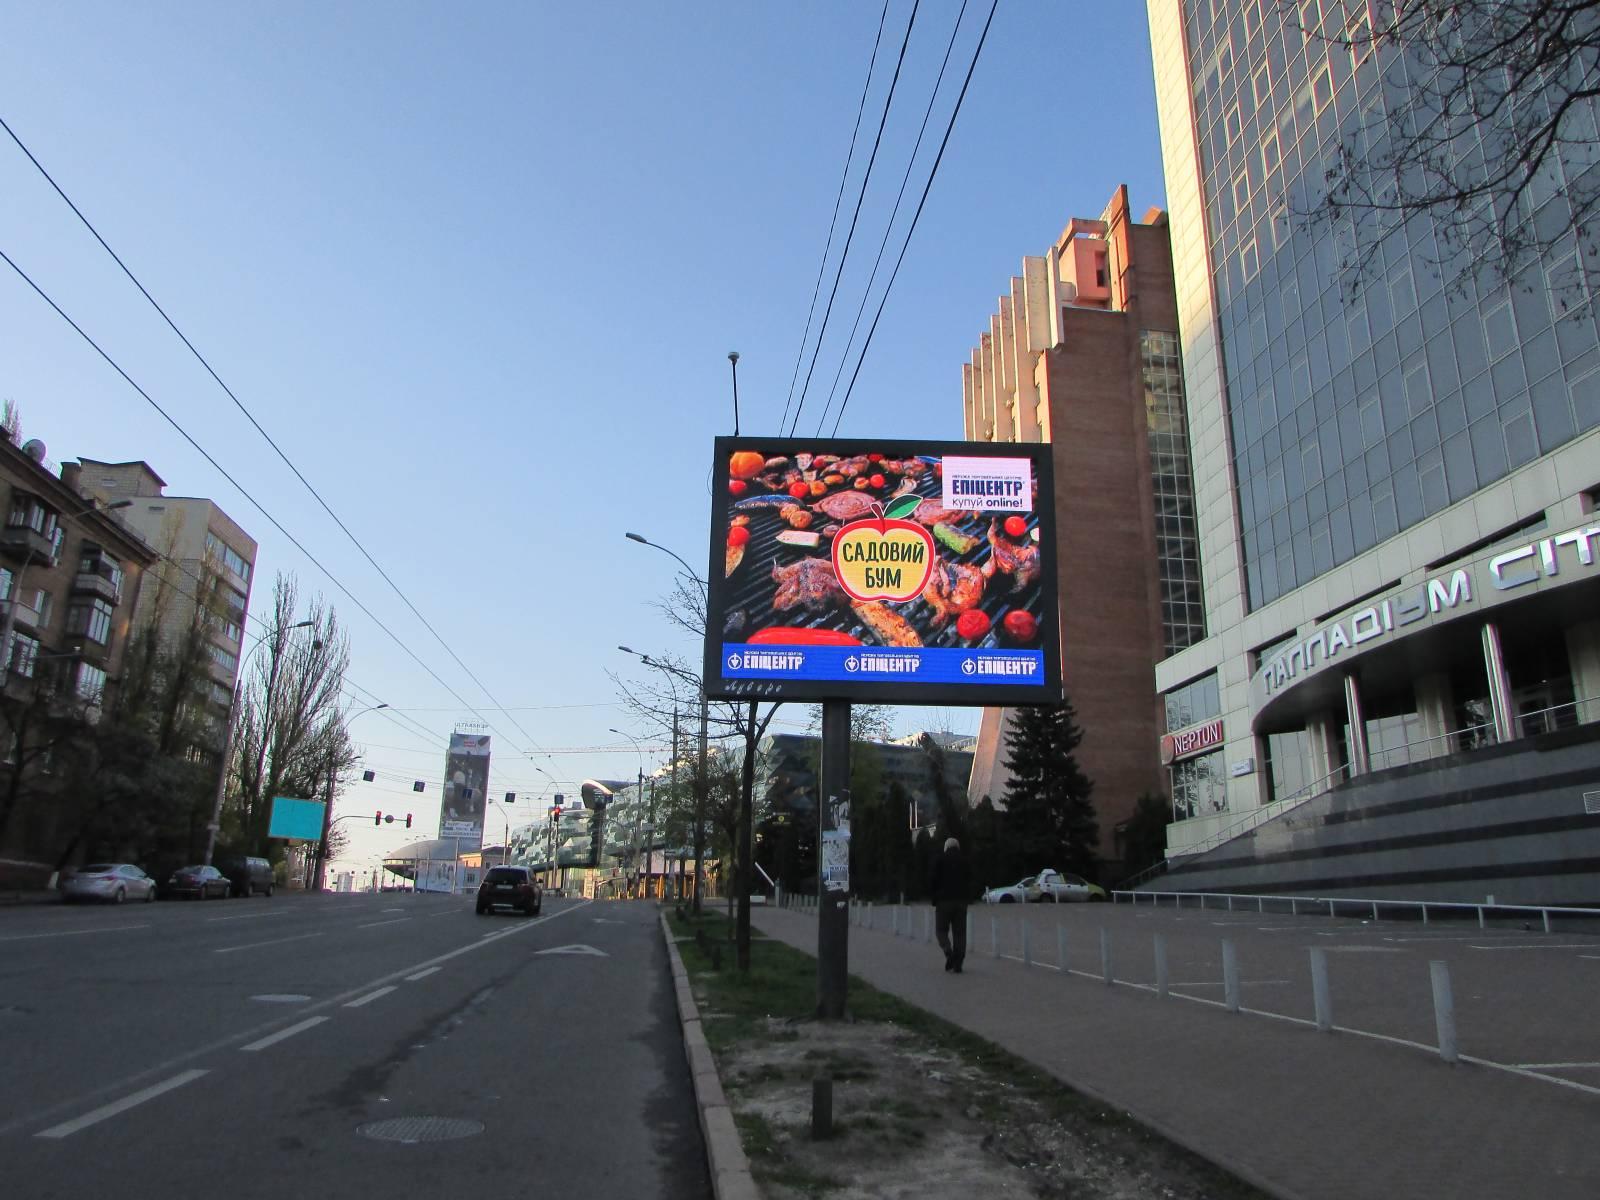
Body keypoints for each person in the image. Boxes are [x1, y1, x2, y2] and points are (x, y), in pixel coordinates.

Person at [929, 836, 970, 973]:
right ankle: (958, 963)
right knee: (960, 933)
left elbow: (933, 880)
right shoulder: (965, 860)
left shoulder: (939, 859)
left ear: (946, 847)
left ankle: (948, 952)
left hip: (943, 902)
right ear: (958, 847)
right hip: (961, 901)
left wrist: (934, 897)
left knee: (941, 931)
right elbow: (970, 878)